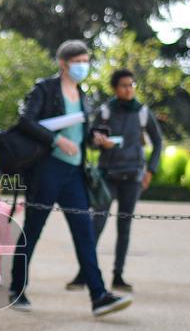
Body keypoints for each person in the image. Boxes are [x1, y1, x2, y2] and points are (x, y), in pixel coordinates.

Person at [8, 40, 132, 317]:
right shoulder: (45, 89)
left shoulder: (83, 94)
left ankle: (99, 295)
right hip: (47, 170)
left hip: (74, 172)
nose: (83, 67)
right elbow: (25, 121)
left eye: (86, 61)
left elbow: (82, 133)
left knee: (84, 233)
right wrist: (56, 141)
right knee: (34, 229)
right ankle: (17, 288)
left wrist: (97, 139)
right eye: (78, 62)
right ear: (63, 63)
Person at [67, 68, 162, 292]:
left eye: (132, 85)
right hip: (107, 175)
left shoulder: (142, 112)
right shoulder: (106, 111)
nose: (129, 89)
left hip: (133, 175)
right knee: (96, 225)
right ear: (115, 88)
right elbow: (90, 140)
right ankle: (84, 273)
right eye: (124, 85)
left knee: (124, 226)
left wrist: (151, 171)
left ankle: (118, 275)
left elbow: (158, 142)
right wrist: (99, 141)